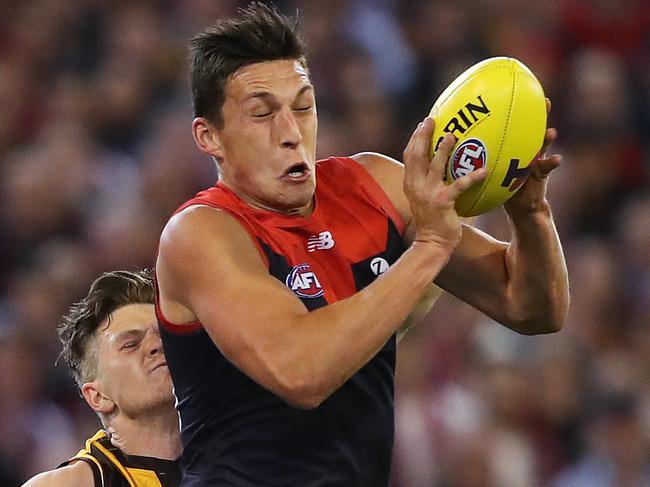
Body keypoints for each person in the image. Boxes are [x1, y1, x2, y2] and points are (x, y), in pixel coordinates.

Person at [154, 3, 569, 485]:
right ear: (210, 137)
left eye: (303, 106)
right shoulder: (201, 233)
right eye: (262, 114)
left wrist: (528, 210)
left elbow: (533, 308)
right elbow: (301, 373)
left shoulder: (374, 186)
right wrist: (430, 246)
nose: (291, 132)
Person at [23, 270, 182, 487]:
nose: (157, 345)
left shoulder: (234, 458)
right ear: (98, 396)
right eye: (131, 345)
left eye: (165, 336)